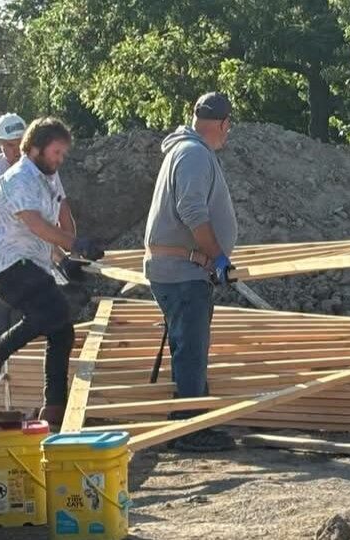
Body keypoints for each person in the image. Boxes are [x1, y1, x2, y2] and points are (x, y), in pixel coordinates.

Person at [0, 117, 104, 425]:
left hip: (33, 264)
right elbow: (36, 225)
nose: (60, 159)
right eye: (56, 152)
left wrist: (67, 259)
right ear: (35, 149)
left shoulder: (47, 176)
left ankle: (54, 407)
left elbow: (61, 215)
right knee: (54, 311)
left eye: (63, 154)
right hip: (9, 266)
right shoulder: (19, 178)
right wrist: (76, 244)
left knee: (62, 331)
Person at [143, 92, 238, 452]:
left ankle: (196, 414)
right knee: (191, 347)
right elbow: (192, 211)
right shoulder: (195, 154)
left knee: (190, 344)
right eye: (228, 127)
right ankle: (188, 428)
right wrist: (217, 257)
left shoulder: (186, 150)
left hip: (182, 268)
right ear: (224, 123)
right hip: (182, 270)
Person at [0, 113, 77, 339]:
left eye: (19, 143)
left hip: (35, 259)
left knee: (40, 324)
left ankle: (19, 366)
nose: (15, 150)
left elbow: (62, 209)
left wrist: (69, 249)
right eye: (9, 145)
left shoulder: (45, 171)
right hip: (3, 262)